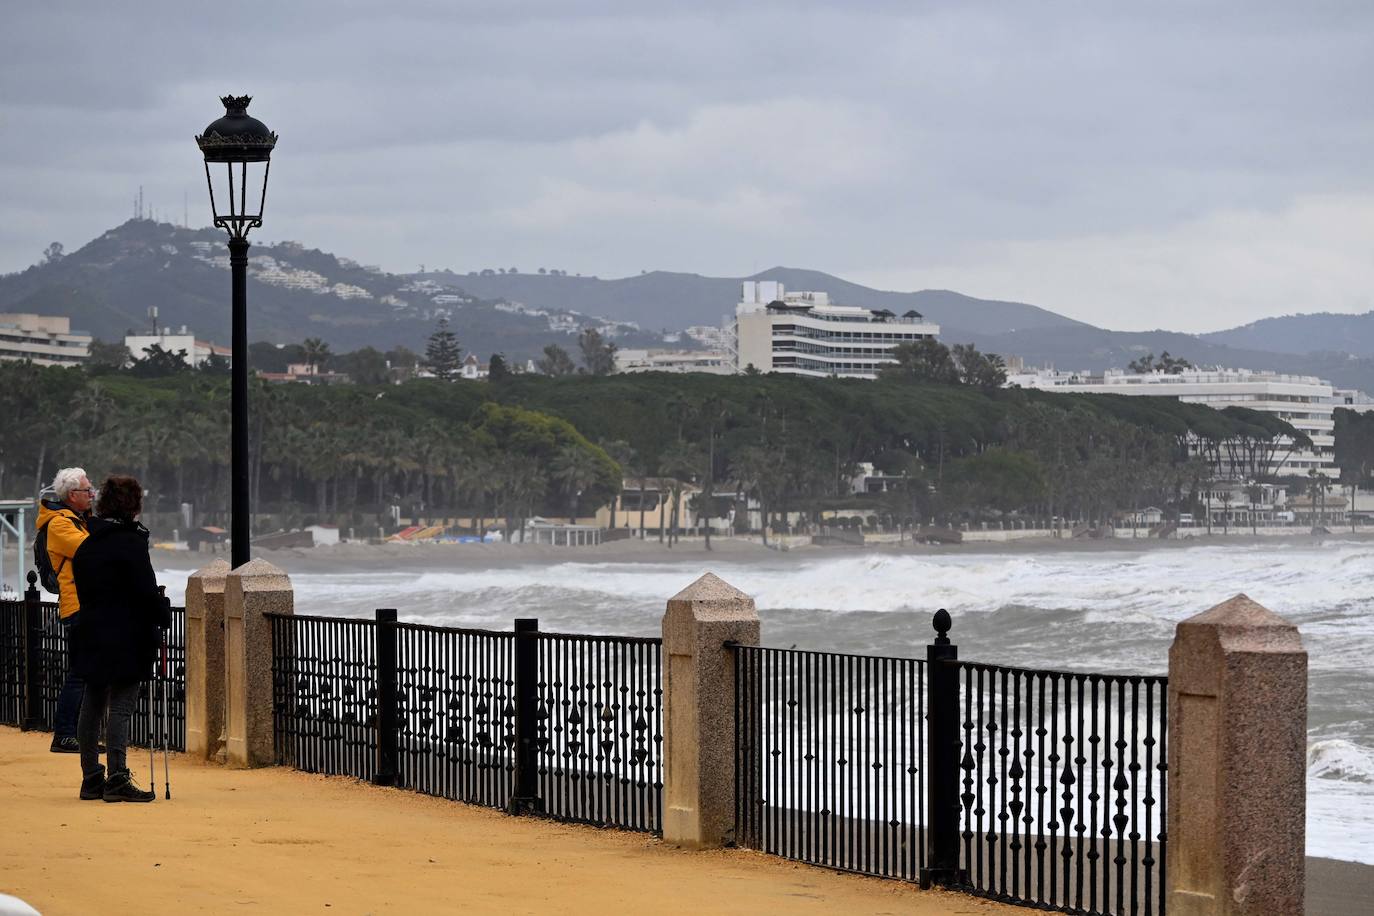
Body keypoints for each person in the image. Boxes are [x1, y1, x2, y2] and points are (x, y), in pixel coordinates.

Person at [71, 475, 169, 802]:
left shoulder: (88, 544)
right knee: (121, 708)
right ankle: (118, 777)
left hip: (92, 634)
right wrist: (161, 611)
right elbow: (143, 590)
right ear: (133, 505)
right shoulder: (130, 543)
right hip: (127, 637)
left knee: (93, 703)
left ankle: (91, 778)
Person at [35, 467, 94, 753]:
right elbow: (89, 550)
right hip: (77, 605)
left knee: (86, 672)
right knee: (80, 673)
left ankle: (78, 732)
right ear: (73, 495)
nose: (92, 494)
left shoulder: (78, 520)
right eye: (87, 490)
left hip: (87, 603)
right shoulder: (60, 524)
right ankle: (65, 733)